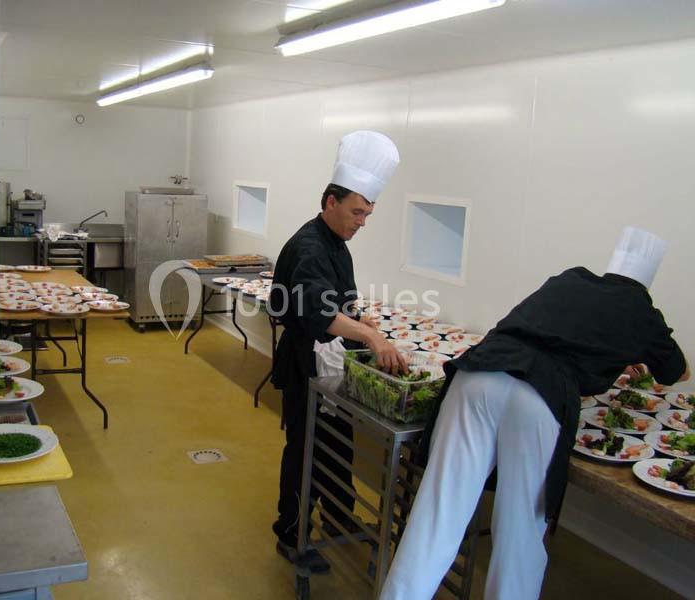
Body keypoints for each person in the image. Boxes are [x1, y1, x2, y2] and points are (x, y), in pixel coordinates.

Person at [380, 226, 690, 600]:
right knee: (519, 532)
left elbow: (556, 332)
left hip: (478, 373)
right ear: (645, 284)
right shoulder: (642, 310)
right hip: (537, 396)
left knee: (437, 512)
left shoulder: (571, 278)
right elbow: (678, 372)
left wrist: (610, 358)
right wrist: (630, 351)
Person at [269, 130, 409, 570]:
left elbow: (335, 300)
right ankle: (290, 537)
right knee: (305, 449)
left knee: (337, 442)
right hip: (306, 364)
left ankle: (335, 516)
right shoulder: (310, 246)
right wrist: (370, 337)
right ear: (330, 201)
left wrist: (358, 318)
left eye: (367, 214)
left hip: (331, 363)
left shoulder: (336, 242)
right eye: (356, 212)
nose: (361, 221)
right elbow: (312, 310)